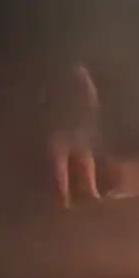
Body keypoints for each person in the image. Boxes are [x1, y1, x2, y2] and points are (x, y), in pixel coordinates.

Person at [44, 61, 102, 208]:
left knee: (67, 160)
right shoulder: (79, 79)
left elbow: (93, 102)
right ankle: (85, 193)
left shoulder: (55, 81)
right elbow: (93, 101)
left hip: (69, 125)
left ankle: (70, 196)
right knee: (79, 159)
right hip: (71, 125)